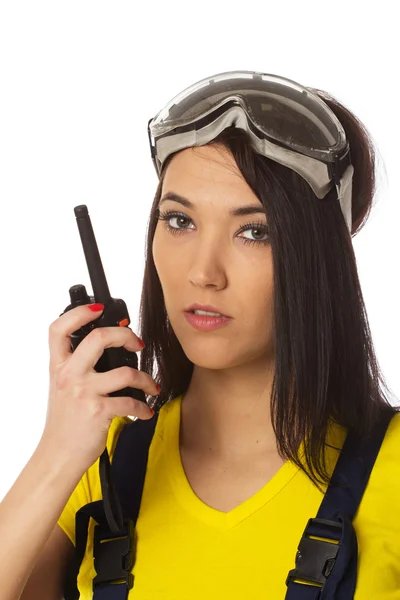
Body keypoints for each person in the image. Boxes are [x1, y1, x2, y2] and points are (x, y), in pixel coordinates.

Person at [0, 70, 399, 599]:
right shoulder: (102, 468)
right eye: (180, 221)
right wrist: (58, 450)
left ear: (319, 261)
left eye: (254, 232)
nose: (203, 274)